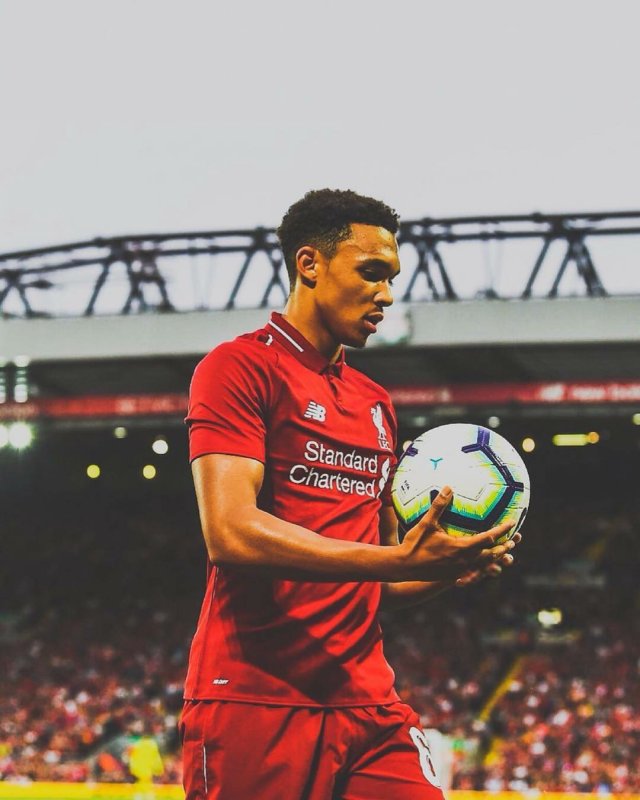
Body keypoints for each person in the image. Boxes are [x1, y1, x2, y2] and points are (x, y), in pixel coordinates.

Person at [181, 189, 519, 800]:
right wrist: (399, 561)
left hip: (367, 702)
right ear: (310, 264)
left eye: (392, 279)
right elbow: (229, 533)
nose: (386, 294)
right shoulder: (238, 368)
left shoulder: (375, 403)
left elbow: (380, 579)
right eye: (371, 273)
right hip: (259, 700)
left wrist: (443, 568)